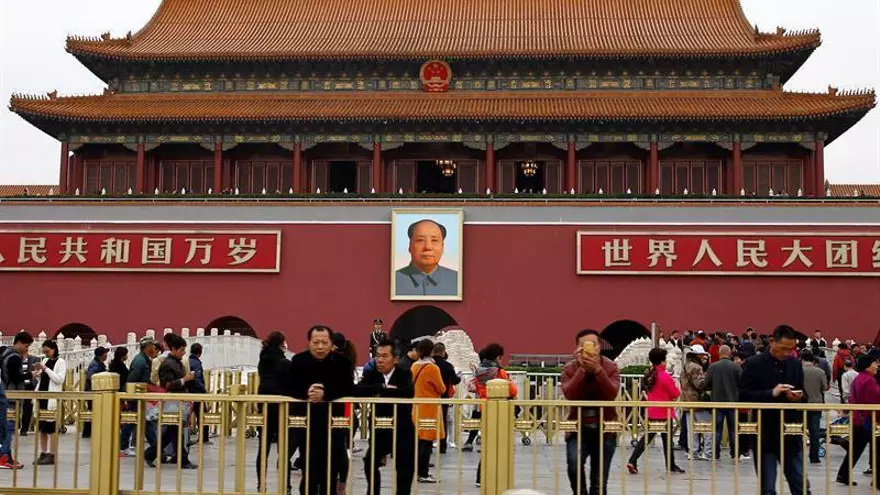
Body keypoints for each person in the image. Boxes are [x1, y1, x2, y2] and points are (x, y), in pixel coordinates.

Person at [739, 325, 810, 495]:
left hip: (790, 432)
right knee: (768, 488)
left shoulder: (795, 364)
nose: (786, 353)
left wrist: (799, 396)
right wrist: (771, 393)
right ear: (772, 341)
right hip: (765, 433)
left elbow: (804, 393)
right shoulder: (753, 364)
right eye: (783, 348)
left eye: (790, 349)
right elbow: (742, 396)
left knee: (800, 484)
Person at [286, 325, 354, 495]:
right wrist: (306, 392)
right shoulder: (298, 361)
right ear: (309, 342)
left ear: (331, 343)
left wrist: (326, 394)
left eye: (324, 342)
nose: (320, 346)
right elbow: (289, 387)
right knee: (309, 467)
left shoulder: (342, 362)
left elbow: (347, 388)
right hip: (306, 422)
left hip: (334, 423)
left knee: (330, 469)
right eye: (316, 342)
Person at [561, 329, 620, 495]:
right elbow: (570, 394)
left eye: (593, 345)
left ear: (599, 346)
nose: (589, 349)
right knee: (573, 463)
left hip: (605, 428)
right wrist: (582, 370)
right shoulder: (570, 368)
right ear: (576, 347)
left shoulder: (610, 367)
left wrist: (598, 370)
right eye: (584, 345)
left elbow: (612, 393)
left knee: (599, 481)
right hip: (578, 427)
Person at [356, 337, 416, 495]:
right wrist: (381, 387)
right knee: (370, 463)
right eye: (377, 356)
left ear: (395, 359)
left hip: (402, 426)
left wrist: (385, 391)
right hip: (379, 426)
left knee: (405, 467)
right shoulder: (372, 373)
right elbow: (358, 390)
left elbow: (409, 392)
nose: (380, 360)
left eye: (384, 356)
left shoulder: (404, 373)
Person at [627, 348, 684, 475]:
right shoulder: (664, 376)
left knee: (646, 438)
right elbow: (675, 393)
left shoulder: (650, 375)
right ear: (662, 361)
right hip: (665, 412)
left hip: (652, 411)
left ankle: (632, 460)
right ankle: (671, 465)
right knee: (667, 440)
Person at [145, 334, 196, 469]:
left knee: (171, 433)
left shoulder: (177, 362)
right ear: (173, 349)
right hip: (172, 403)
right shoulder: (167, 364)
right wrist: (184, 379)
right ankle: (183, 459)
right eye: (182, 350)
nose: (183, 353)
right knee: (176, 432)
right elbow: (167, 385)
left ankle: (150, 453)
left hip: (178, 402)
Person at [469, 343, 518, 486]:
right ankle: (497, 476)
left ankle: (480, 476)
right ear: (498, 357)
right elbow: (512, 390)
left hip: (485, 409)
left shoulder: (479, 372)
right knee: (500, 445)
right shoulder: (498, 372)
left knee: (488, 445)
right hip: (500, 411)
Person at [836, 354, 880, 487]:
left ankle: (843, 475)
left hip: (858, 419)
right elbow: (874, 402)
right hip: (868, 420)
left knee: (855, 449)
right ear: (868, 365)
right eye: (874, 363)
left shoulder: (858, 379)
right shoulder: (870, 381)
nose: (876, 365)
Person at [256, 332, 291, 493]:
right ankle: (286, 485)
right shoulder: (284, 362)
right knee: (283, 449)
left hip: (264, 403)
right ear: (281, 344)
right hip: (280, 405)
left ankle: (261, 484)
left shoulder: (262, 360)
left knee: (263, 447)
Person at [410, 339, 446, 483]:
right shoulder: (432, 368)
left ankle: (418, 470)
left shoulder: (414, 366)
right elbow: (441, 388)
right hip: (429, 408)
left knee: (419, 441)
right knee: (427, 442)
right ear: (431, 351)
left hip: (416, 406)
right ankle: (423, 472)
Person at [394, 219, 459, 297]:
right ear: (410, 246)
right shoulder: (392, 281)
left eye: (434, 240)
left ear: (442, 247)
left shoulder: (458, 281)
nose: (428, 247)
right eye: (420, 240)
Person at [705, 344, 741, 460]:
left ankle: (716, 454)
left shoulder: (713, 366)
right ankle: (734, 453)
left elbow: (706, 383)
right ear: (730, 353)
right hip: (733, 402)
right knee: (733, 430)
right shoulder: (736, 367)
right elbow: (742, 383)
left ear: (719, 353)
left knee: (717, 430)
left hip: (717, 402)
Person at [34, 340, 66, 465]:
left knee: (51, 427)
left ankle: (52, 453)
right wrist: (38, 373)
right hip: (42, 396)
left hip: (51, 398)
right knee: (42, 427)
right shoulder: (46, 360)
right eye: (44, 352)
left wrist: (45, 369)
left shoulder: (60, 362)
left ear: (54, 349)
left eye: (48, 351)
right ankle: (43, 452)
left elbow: (59, 379)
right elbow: (44, 377)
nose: (46, 354)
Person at [680, 344, 711, 460]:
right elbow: (700, 384)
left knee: (691, 430)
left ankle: (693, 452)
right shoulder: (696, 367)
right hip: (698, 401)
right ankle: (708, 452)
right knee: (706, 428)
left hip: (687, 402)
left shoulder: (685, 366)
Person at [432, 342, 461, 454]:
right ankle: (442, 445)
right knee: (442, 421)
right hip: (443, 397)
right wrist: (459, 376)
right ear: (443, 352)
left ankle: (427, 444)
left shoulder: (429, 364)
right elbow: (455, 380)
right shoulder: (447, 366)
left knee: (428, 421)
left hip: (428, 397)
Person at [800, 349, 828, 464]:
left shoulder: (798, 371)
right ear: (813, 361)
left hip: (800, 405)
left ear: (802, 360)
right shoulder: (820, 372)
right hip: (816, 405)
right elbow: (825, 388)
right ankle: (814, 457)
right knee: (815, 432)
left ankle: (797, 456)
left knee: (797, 431)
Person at [108, 346, 135, 457]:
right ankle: (123, 446)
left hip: (115, 395)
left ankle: (121, 444)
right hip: (120, 396)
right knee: (124, 421)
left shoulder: (113, 365)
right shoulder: (119, 366)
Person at [81, 346, 109, 438]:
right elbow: (90, 377)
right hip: (93, 392)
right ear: (101, 355)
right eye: (105, 353)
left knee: (93, 412)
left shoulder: (99, 363)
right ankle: (87, 432)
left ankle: (89, 432)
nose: (106, 355)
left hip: (95, 391)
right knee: (92, 412)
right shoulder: (95, 364)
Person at [188, 343, 209, 444]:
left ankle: (185, 436)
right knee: (202, 415)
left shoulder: (187, 361)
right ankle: (204, 437)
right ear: (200, 352)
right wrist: (203, 389)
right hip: (197, 392)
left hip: (189, 392)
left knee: (187, 414)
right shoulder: (196, 363)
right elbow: (197, 378)